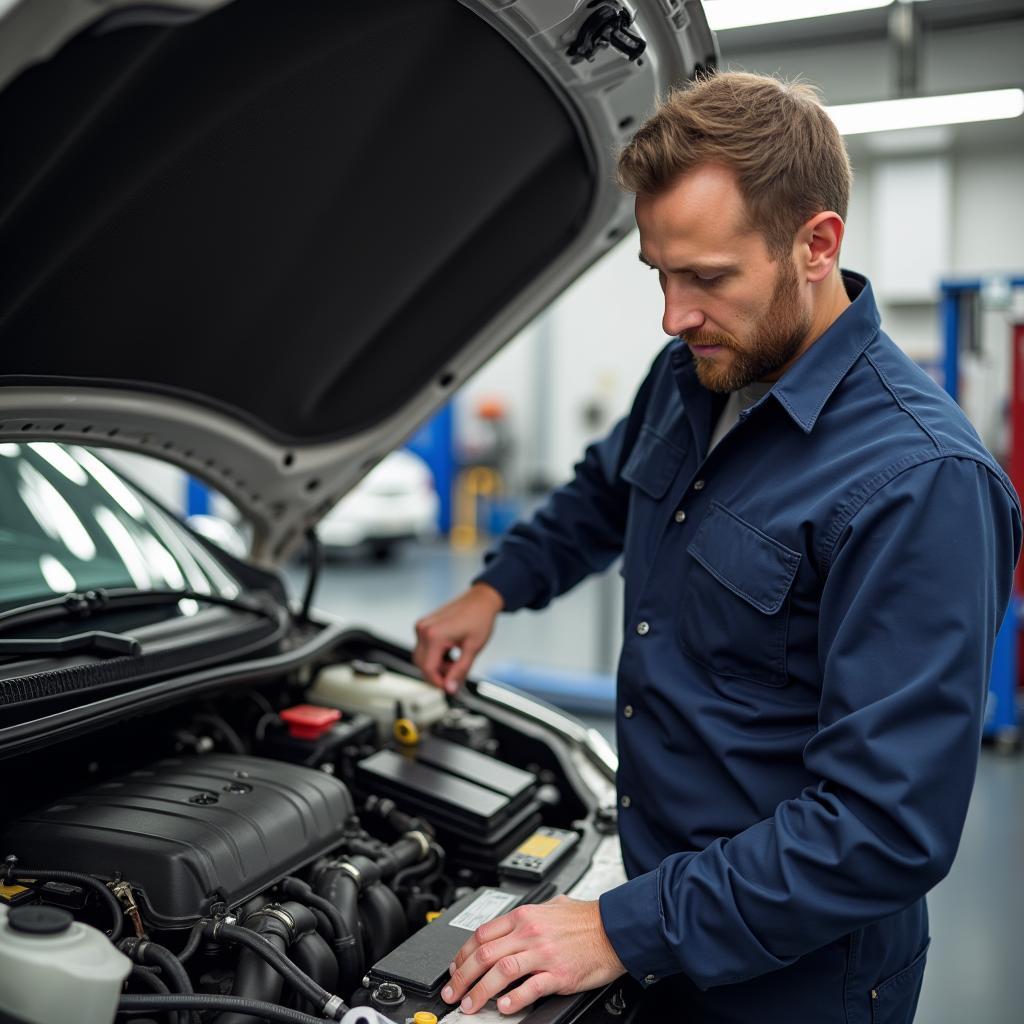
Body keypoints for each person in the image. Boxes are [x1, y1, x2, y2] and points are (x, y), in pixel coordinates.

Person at [412, 72, 1022, 1024]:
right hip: (660, 913)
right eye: (659, 272)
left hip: (796, 983)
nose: (672, 314)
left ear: (815, 246)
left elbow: (881, 829)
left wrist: (621, 930)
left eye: (707, 277)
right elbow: (601, 495)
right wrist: (493, 590)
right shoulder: (692, 375)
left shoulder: (922, 482)